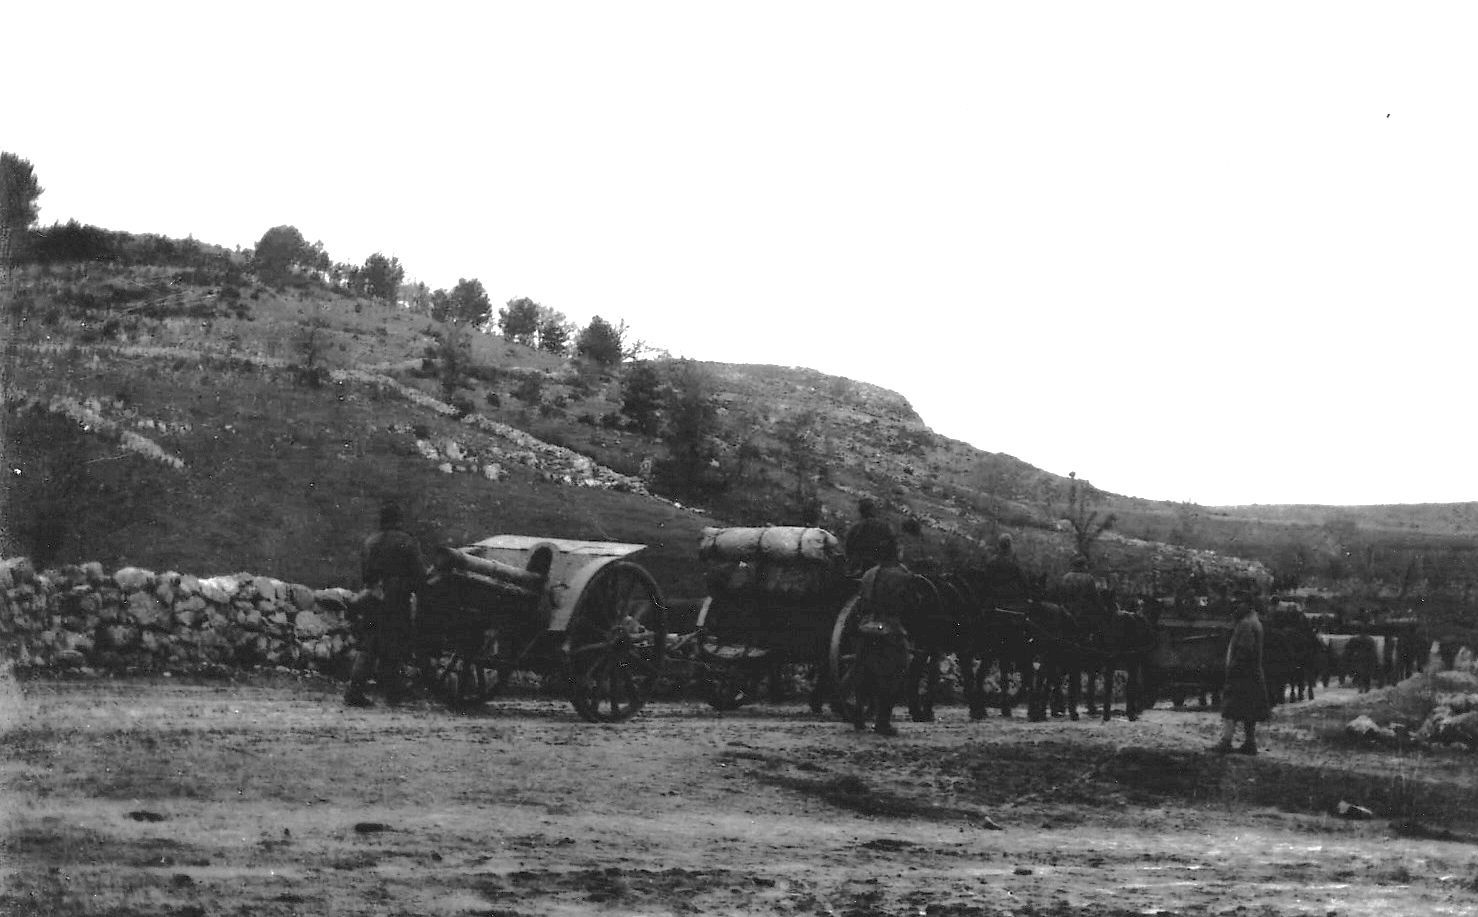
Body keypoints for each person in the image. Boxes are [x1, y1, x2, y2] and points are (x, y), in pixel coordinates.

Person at [345, 501, 426, 707]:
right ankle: (392, 694)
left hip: (373, 597)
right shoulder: (407, 542)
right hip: (397, 600)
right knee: (395, 645)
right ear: (398, 520)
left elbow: (365, 574)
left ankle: (354, 691)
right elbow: (419, 576)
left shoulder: (370, 542)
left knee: (369, 645)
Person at [848, 534, 916, 736]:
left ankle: (859, 715)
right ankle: (882, 722)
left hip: (866, 625)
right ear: (896, 553)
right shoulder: (903, 576)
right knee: (895, 672)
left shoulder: (868, 574)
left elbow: (860, 602)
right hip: (890, 628)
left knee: (863, 670)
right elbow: (910, 604)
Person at [1212, 593, 1271, 755]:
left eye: (1240, 604)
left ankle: (1226, 741)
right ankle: (1250, 743)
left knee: (1230, 708)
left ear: (1248, 605)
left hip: (1241, 673)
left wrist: (1233, 668)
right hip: (1253, 673)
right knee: (1249, 711)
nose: (1236, 607)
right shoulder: (1256, 622)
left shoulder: (1245, 624)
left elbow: (1244, 650)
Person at [844, 498, 897, 576]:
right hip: (879, 569)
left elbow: (848, 549)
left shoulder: (855, 528)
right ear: (872, 510)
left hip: (857, 567)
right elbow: (892, 547)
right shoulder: (884, 527)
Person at [981, 533, 1031, 610]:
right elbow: (1024, 581)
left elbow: (987, 579)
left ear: (999, 545)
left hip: (994, 595)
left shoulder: (992, 561)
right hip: (1010, 597)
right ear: (1010, 546)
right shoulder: (1013, 563)